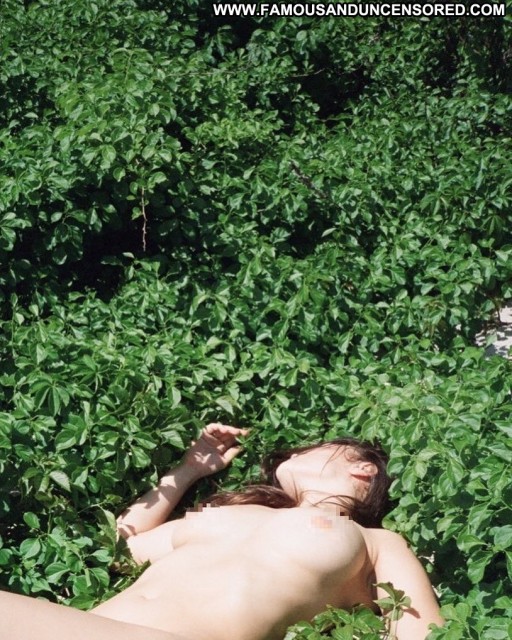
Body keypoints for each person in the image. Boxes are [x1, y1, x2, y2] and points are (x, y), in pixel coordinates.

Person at [0, 423, 444, 640]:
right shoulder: (232, 514)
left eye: (316, 447)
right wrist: (188, 470)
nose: (292, 453)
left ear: (363, 469)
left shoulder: (375, 541)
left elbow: (423, 635)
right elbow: (116, 546)